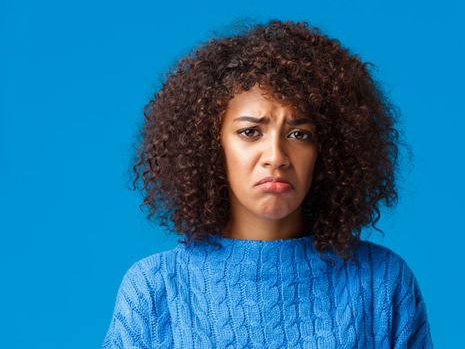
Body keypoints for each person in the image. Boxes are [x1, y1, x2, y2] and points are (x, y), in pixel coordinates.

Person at [102, 19, 434, 348]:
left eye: (299, 134)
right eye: (250, 132)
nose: (276, 156)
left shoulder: (382, 283)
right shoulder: (155, 288)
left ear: (327, 151)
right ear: (210, 145)